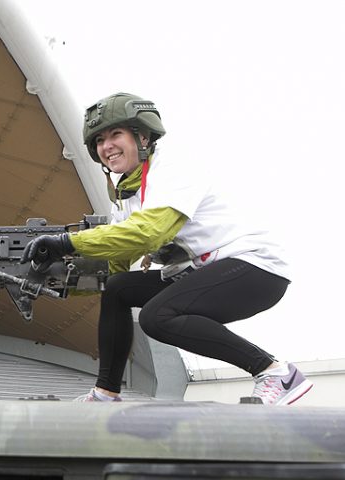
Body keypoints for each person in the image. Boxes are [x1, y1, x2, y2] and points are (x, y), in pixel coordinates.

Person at [21, 92, 312, 405]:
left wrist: (65, 242)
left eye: (116, 134)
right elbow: (115, 269)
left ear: (143, 137)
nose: (107, 146)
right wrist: (52, 281)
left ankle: (275, 372)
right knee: (119, 289)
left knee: (156, 317)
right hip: (205, 270)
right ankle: (105, 393)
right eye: (100, 140)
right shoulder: (127, 195)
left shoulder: (172, 167)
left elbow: (147, 234)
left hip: (255, 269)